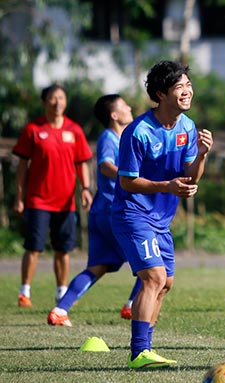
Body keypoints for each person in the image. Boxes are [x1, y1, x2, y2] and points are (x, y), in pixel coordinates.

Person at [111, 60, 213, 369]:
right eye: (179, 87)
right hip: (132, 214)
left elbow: (191, 176)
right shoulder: (137, 131)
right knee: (153, 278)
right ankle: (139, 352)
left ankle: (147, 350)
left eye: (188, 85)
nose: (187, 91)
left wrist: (203, 154)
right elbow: (126, 180)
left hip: (161, 219)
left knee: (165, 283)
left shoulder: (186, 127)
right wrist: (165, 186)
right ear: (161, 94)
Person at [47, 94, 142, 326]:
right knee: (151, 260)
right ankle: (131, 306)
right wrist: (128, 176)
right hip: (114, 212)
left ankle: (60, 310)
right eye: (124, 106)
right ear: (114, 115)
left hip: (102, 212)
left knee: (97, 267)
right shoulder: (109, 137)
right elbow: (105, 165)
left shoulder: (124, 137)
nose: (129, 108)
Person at [13, 84, 93, 308]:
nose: (57, 102)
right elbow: (21, 166)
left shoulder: (74, 130)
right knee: (34, 247)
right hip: (38, 199)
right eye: (52, 98)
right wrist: (19, 196)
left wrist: (85, 189)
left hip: (66, 202)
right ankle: (24, 292)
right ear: (44, 102)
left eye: (61, 98)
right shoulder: (33, 129)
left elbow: (81, 163)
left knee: (63, 249)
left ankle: (61, 291)